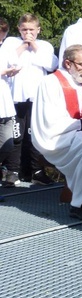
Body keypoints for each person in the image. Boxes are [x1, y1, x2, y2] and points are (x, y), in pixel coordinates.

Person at [31, 45, 82, 219]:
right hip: (56, 139)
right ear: (67, 62)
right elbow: (51, 120)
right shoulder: (50, 83)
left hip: (80, 134)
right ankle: (80, 205)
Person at [2, 14, 58, 185]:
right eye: (24, 29)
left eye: (31, 30)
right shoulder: (11, 42)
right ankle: (13, 171)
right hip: (15, 98)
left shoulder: (44, 46)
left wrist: (32, 45)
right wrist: (23, 45)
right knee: (16, 135)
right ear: (19, 29)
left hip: (37, 99)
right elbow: (4, 59)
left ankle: (35, 171)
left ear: (38, 30)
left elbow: (52, 65)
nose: (28, 33)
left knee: (34, 136)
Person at [0, 18, 18, 185]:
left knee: (7, 144)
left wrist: (12, 71)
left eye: (3, 37)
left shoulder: (4, 49)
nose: (1, 40)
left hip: (4, 103)